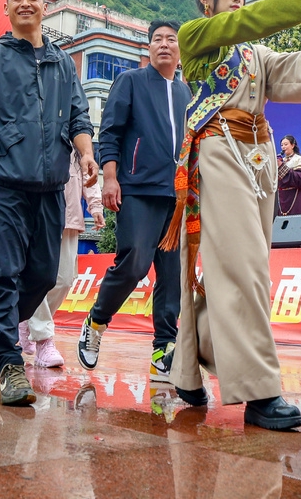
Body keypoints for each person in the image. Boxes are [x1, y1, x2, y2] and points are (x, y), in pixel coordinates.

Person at [166, 0, 301, 431]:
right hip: (218, 150)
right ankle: (259, 391)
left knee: (245, 269)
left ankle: (189, 362)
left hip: (259, 157)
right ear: (206, 1)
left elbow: (287, 71)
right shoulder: (196, 37)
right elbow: (245, 23)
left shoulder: (254, 53)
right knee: (244, 267)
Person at [0, 0, 97, 405]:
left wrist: (86, 155)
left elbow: (78, 116)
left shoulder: (62, 63)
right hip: (2, 182)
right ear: (7, 9)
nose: (26, 3)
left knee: (44, 274)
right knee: (5, 270)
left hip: (50, 184)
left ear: (45, 7)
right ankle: (10, 366)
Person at [79, 20, 188, 381]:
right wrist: (110, 178)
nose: (164, 44)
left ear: (179, 50)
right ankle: (96, 321)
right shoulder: (131, 81)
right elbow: (110, 132)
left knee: (172, 276)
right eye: (157, 39)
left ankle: (164, 349)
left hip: (177, 196)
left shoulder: (185, 92)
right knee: (135, 263)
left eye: (171, 39)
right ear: (149, 47)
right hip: (138, 188)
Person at [24, 143, 101, 367]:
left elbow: (89, 170)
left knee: (65, 279)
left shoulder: (78, 138)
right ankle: (44, 339)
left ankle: (27, 317)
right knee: (39, 276)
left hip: (70, 217)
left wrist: (95, 206)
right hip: (40, 214)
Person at [277, 136, 301, 216]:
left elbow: (299, 180)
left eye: (286, 144)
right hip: (282, 196)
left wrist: (281, 166)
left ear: (293, 145)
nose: (283, 147)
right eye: (282, 145)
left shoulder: (298, 159)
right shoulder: (282, 160)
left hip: (294, 195)